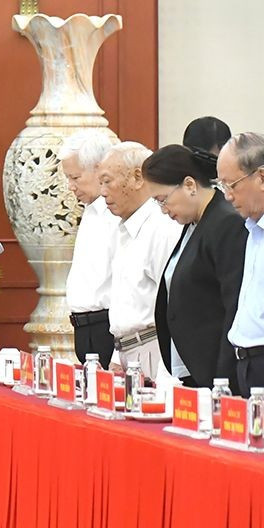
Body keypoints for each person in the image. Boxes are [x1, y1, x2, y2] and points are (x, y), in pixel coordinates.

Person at [144, 143, 245, 388]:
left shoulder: (225, 223)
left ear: (189, 185)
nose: (164, 210)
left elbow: (232, 306)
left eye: (162, 200)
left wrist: (223, 379)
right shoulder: (193, 224)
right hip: (191, 367)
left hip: (215, 371)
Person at [219, 132, 264, 404]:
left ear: (262, 177)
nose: (226, 196)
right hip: (249, 365)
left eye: (231, 185)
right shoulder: (255, 227)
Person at [98, 142, 180, 383]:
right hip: (127, 352)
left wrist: (166, 374)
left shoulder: (162, 228)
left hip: (154, 352)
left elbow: (173, 306)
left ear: (136, 177)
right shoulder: (122, 228)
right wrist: (116, 355)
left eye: (107, 181)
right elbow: (127, 300)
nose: (102, 192)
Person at [59, 130, 119, 366]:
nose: (70, 187)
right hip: (84, 327)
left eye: (75, 177)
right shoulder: (90, 209)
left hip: (107, 327)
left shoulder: (116, 213)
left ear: (98, 169)